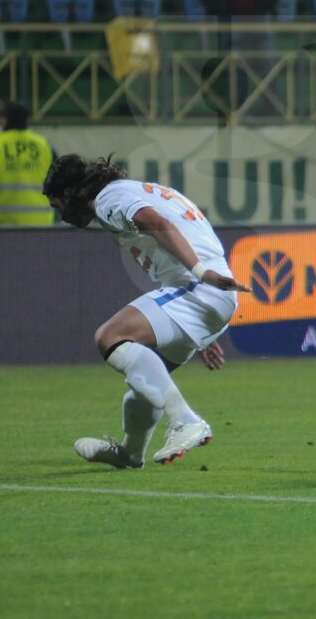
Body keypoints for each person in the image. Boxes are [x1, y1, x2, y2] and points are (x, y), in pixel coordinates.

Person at [42, 154, 249, 468]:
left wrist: (200, 271)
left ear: (70, 193)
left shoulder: (107, 199)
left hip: (199, 285)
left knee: (110, 337)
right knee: (146, 385)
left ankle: (185, 421)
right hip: (208, 293)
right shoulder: (142, 190)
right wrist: (201, 332)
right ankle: (130, 454)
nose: (61, 215)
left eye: (57, 205)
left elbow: (157, 223)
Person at [0, 101, 54, 226]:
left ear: (6, 120)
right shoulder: (43, 144)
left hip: (6, 224)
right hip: (42, 221)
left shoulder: (0, 143)